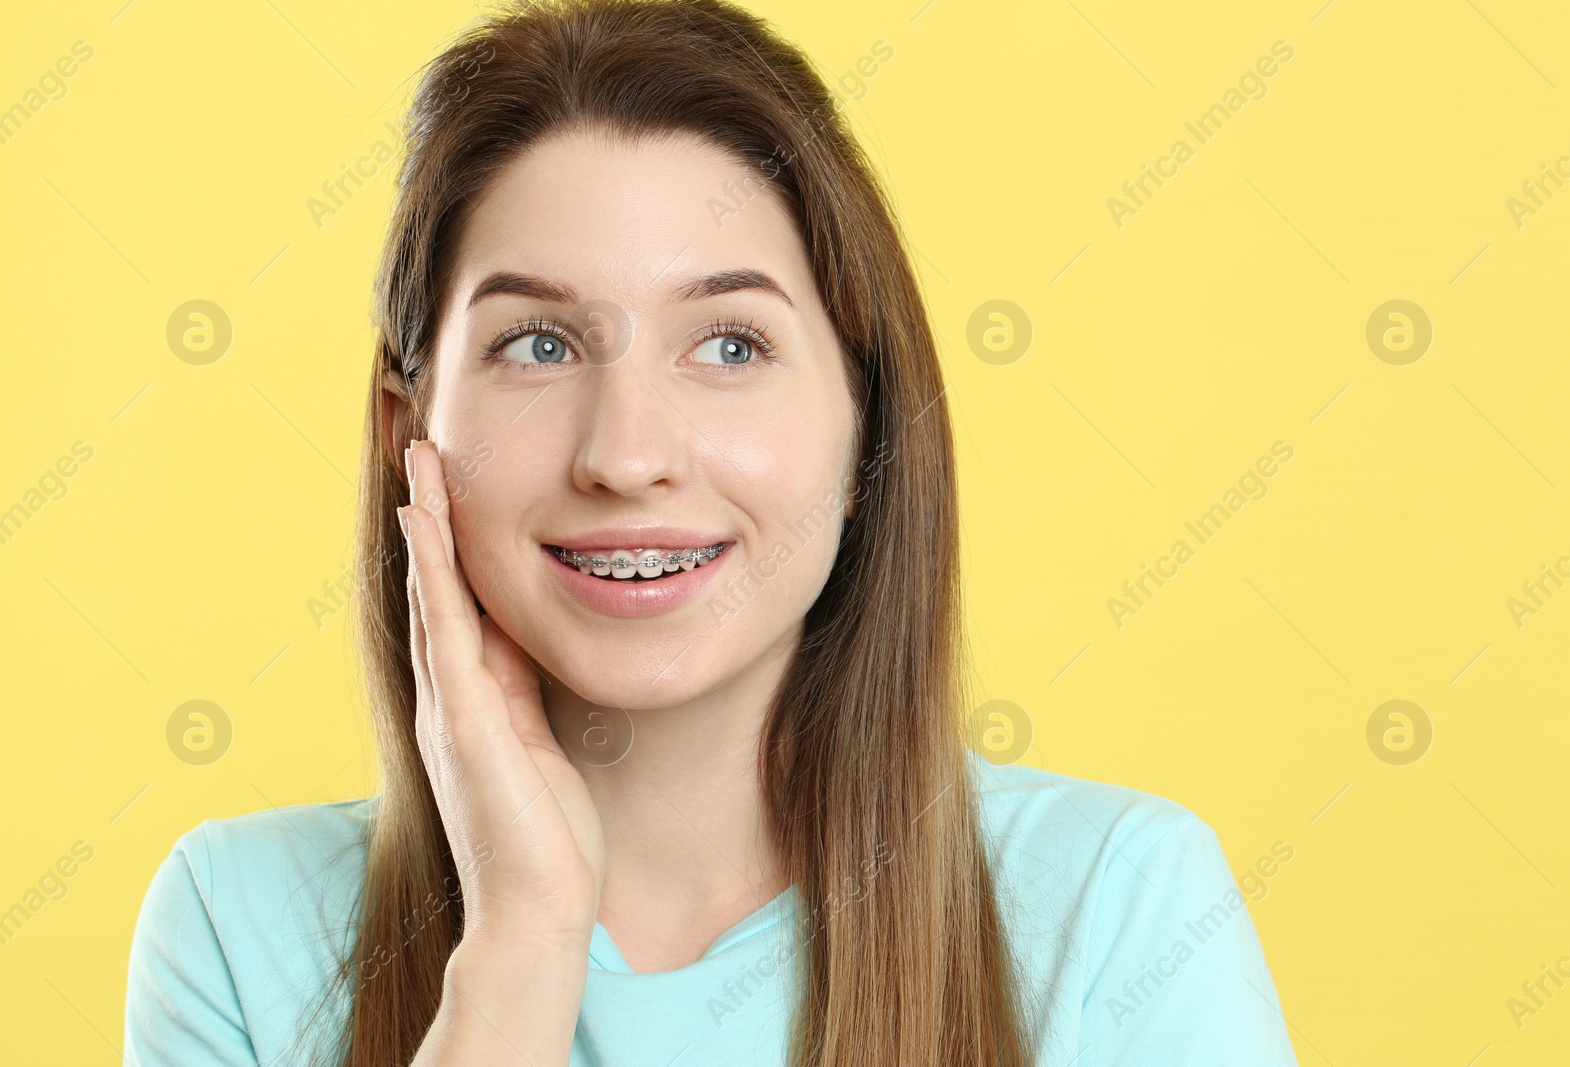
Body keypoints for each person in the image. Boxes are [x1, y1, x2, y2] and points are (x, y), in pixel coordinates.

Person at [124, 1, 1300, 1063]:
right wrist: (521, 949)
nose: (627, 454)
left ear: (865, 427)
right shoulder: (237, 925)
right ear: (406, 438)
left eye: (729, 345)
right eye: (538, 343)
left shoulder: (1116, 908)